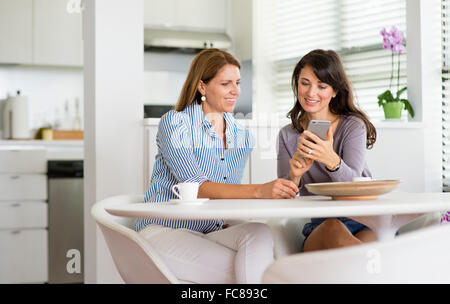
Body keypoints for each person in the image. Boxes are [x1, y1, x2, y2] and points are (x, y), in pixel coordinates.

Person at [134, 48, 299, 284]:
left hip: (209, 232)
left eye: (238, 83)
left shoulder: (242, 136)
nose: (235, 91)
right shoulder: (176, 123)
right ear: (202, 86)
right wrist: (260, 190)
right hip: (163, 231)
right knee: (256, 273)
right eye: (225, 84)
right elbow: (196, 185)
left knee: (259, 234)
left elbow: (226, 194)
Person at [277, 49, 378, 252]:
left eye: (321, 86)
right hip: (322, 227)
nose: (311, 93)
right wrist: (294, 177)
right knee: (334, 228)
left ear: (334, 91)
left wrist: (331, 160)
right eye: (305, 83)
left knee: (372, 253)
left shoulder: (352, 126)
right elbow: (283, 200)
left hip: (363, 220)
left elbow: (354, 186)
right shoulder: (287, 135)